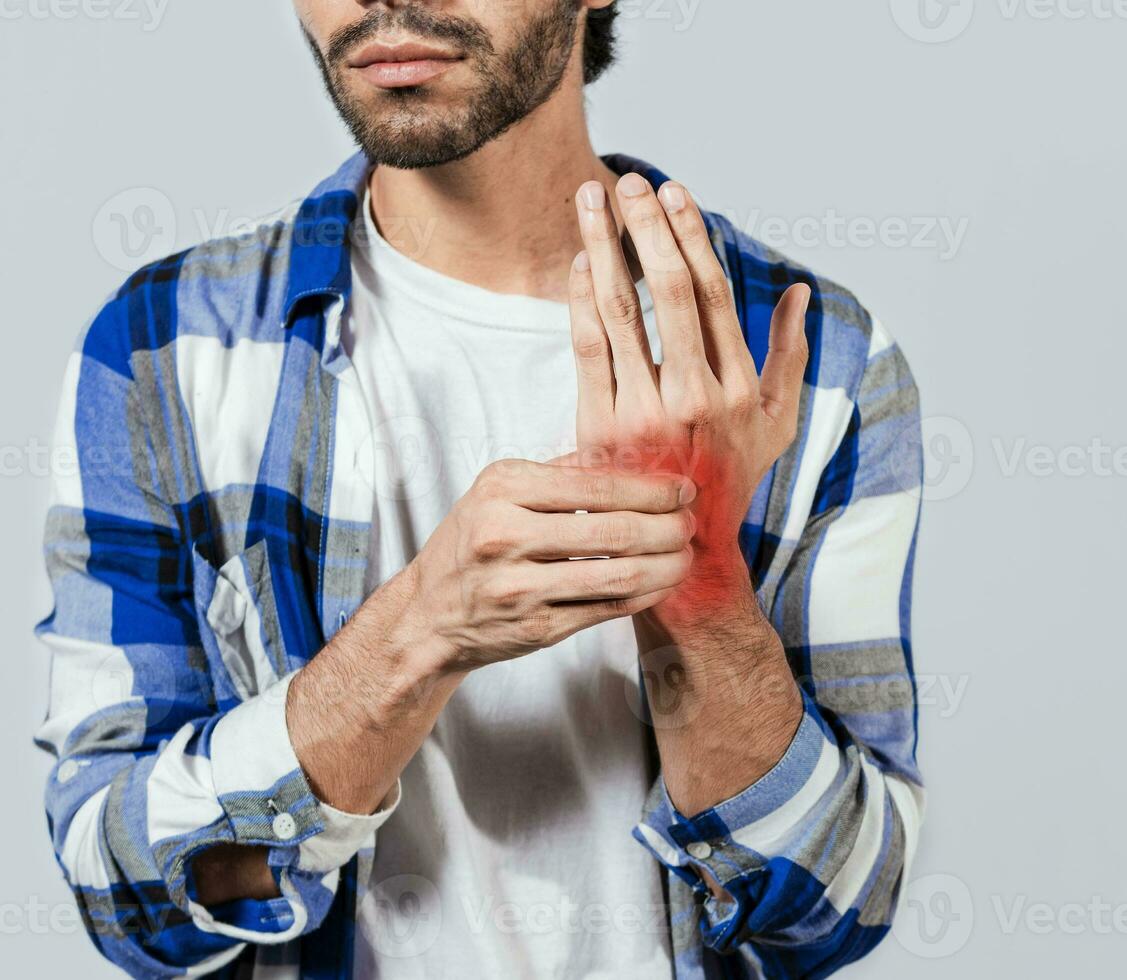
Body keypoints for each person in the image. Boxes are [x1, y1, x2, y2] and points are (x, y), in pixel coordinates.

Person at [34, 2, 923, 976]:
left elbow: (842, 900)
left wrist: (702, 583)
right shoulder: (166, 347)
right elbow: (118, 888)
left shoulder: (814, 359)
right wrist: (419, 629)